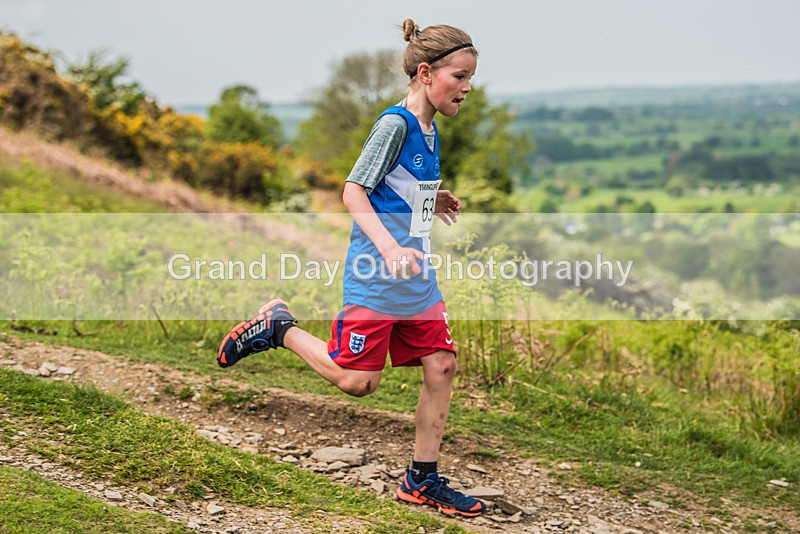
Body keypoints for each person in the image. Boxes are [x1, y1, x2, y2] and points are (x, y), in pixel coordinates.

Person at [217, 18, 485, 518]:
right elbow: (354, 191)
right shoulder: (395, 125)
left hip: (416, 277)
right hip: (377, 272)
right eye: (460, 76)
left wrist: (433, 199)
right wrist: (389, 249)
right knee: (359, 382)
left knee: (442, 364)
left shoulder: (430, 130)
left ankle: (421, 480)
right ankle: (279, 329)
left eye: (471, 77)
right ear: (426, 73)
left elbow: (396, 189)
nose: (468, 88)